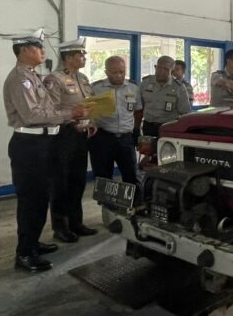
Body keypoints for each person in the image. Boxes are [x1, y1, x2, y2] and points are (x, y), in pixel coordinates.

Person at [3, 29, 89, 272]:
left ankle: (32, 243)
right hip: (30, 146)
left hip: (43, 143)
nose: (42, 51)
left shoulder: (32, 76)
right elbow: (32, 115)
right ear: (24, 51)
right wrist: (71, 113)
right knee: (31, 200)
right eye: (37, 47)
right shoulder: (21, 79)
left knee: (41, 198)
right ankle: (24, 254)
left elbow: (48, 110)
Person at [45, 37, 96, 243]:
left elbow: (88, 105)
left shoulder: (83, 78)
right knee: (61, 183)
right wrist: (71, 118)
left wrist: (91, 121)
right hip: (62, 135)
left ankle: (76, 222)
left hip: (81, 135)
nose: (84, 57)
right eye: (80, 54)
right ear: (68, 57)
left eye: (83, 54)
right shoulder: (54, 79)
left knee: (77, 181)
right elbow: (51, 110)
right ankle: (60, 226)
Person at [89, 56, 142, 185]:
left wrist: (136, 130)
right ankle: (106, 205)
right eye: (115, 72)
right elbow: (88, 111)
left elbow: (138, 110)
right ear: (106, 72)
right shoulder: (96, 89)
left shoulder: (133, 88)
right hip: (103, 138)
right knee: (103, 177)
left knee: (131, 176)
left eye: (122, 71)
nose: (119, 75)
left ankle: (134, 204)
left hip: (126, 139)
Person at [140, 55, 191, 137]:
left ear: (172, 71)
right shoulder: (146, 83)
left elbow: (185, 113)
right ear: (155, 67)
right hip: (148, 127)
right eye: (159, 68)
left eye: (166, 69)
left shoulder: (179, 88)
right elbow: (139, 107)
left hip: (169, 127)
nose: (161, 72)